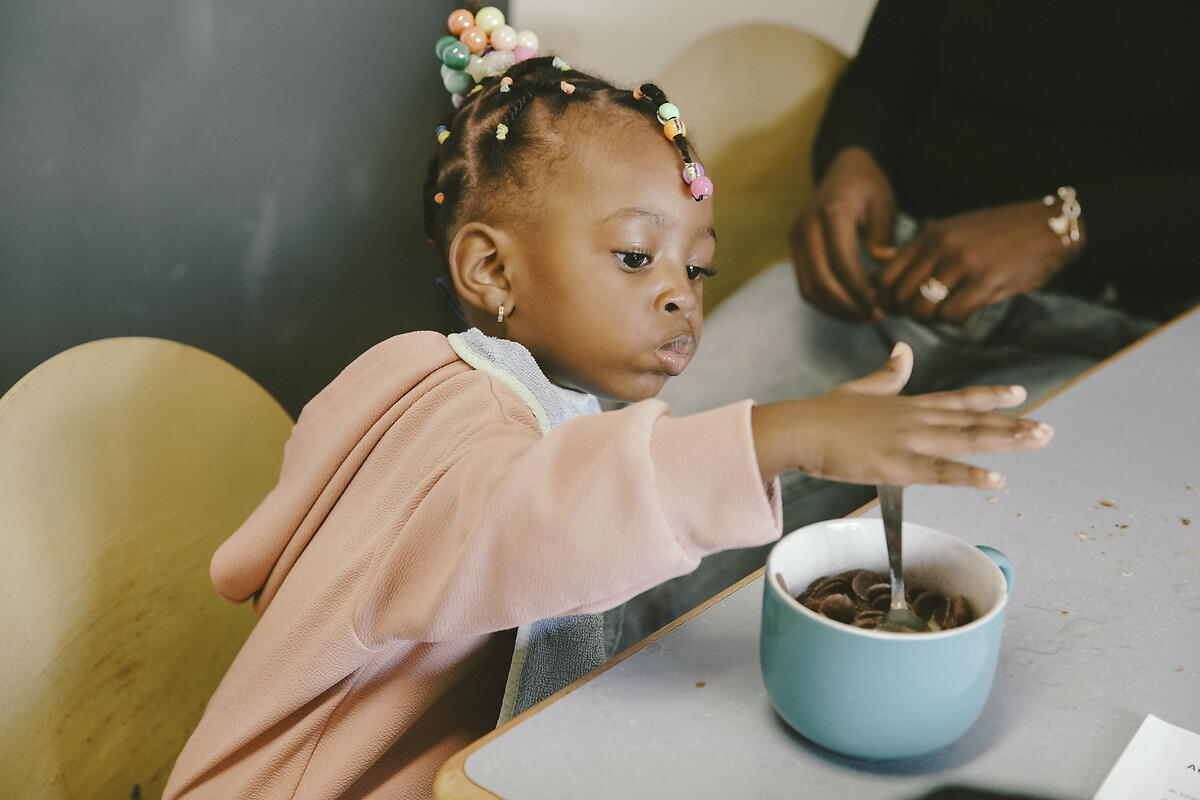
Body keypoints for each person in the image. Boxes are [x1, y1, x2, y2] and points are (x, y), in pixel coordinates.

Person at [163, 23, 1054, 799]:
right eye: (636, 257)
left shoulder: (540, 402)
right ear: (492, 271)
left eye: (695, 268)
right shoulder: (448, 427)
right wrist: (785, 433)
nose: (681, 296)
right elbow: (535, 518)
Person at [652, 0, 1200, 629]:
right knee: (647, 470)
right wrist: (852, 157)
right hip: (885, 277)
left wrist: (1078, 226)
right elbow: (886, 71)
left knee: (969, 600)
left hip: (1115, 335)